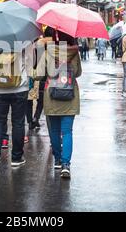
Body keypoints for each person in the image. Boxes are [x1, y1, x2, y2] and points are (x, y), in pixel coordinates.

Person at [35, 30, 82, 178]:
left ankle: (57, 160)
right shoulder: (74, 52)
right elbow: (78, 72)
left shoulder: (48, 51)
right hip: (70, 96)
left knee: (54, 131)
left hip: (52, 96)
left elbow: (38, 74)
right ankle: (66, 164)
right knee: (67, 131)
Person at [0, 47, 31, 172]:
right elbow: (30, 61)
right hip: (19, 88)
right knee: (18, 122)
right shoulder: (24, 36)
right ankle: (16, 157)